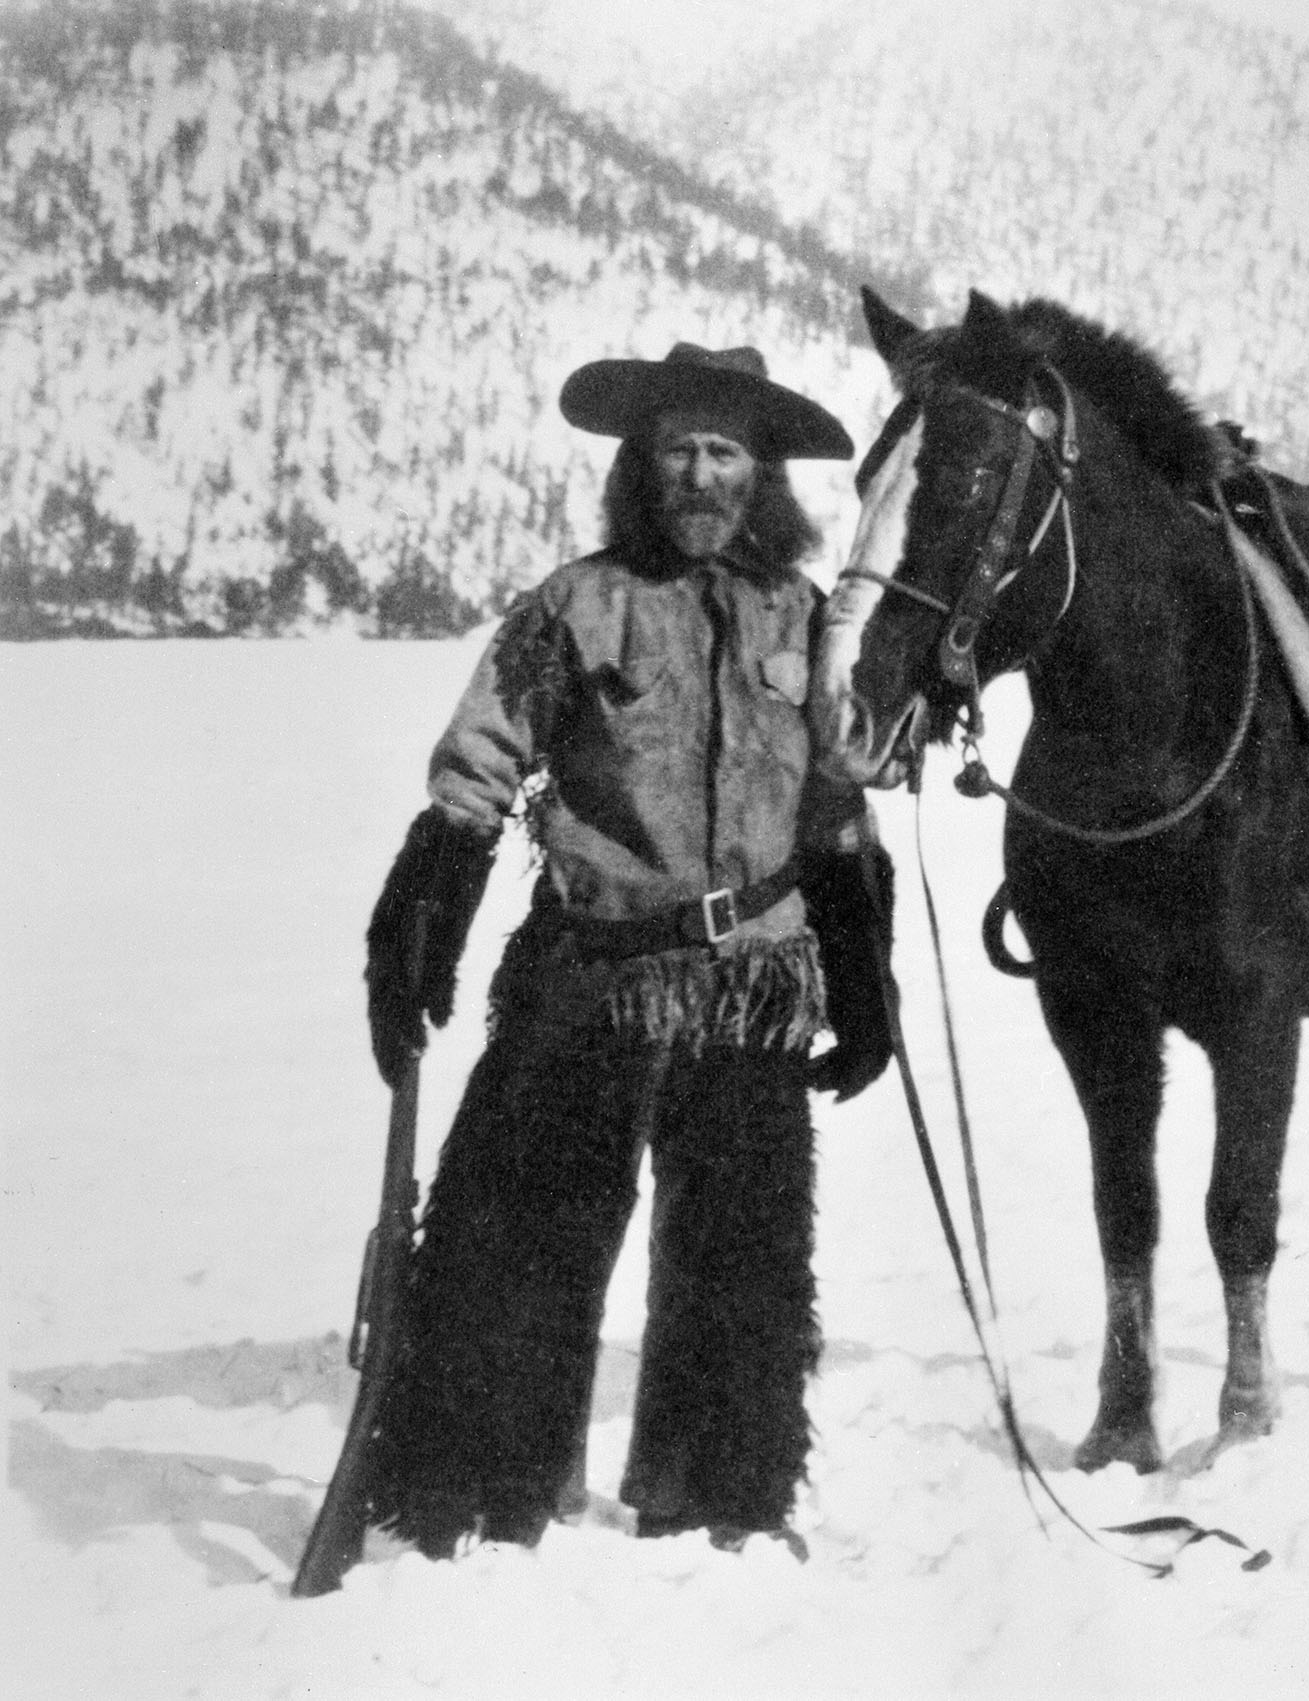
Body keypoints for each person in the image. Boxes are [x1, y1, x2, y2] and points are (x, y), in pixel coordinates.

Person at [359, 342, 896, 1558]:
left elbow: (838, 802)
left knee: (745, 1262)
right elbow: (483, 755)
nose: (701, 474)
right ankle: (487, 1492)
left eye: (726, 452)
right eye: (678, 450)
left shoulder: (807, 622)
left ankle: (721, 1495)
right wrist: (428, 901)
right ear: (638, 468)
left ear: (761, 477)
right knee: (520, 1239)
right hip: (592, 974)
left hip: (755, 981)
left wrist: (865, 964)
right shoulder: (574, 606)